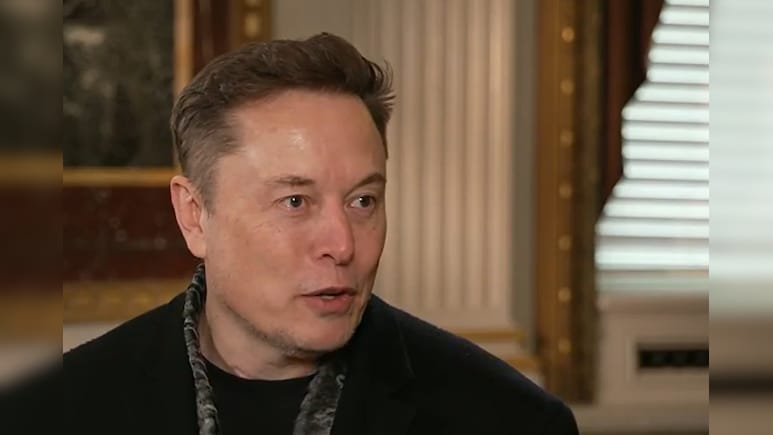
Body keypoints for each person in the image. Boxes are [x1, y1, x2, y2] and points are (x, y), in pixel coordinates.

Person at [63, 33, 579, 435]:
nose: (343, 244)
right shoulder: (60, 410)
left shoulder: (509, 421)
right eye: (295, 202)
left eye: (363, 201)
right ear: (194, 215)